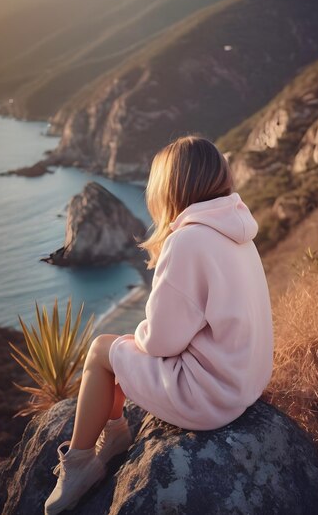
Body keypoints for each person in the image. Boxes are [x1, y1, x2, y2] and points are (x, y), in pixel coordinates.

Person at [44, 134, 274, 514]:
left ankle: (81, 462)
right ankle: (114, 435)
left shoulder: (188, 242)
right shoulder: (237, 231)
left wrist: (133, 338)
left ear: (170, 186)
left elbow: (160, 342)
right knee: (119, 348)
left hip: (209, 397)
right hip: (244, 381)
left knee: (103, 348)